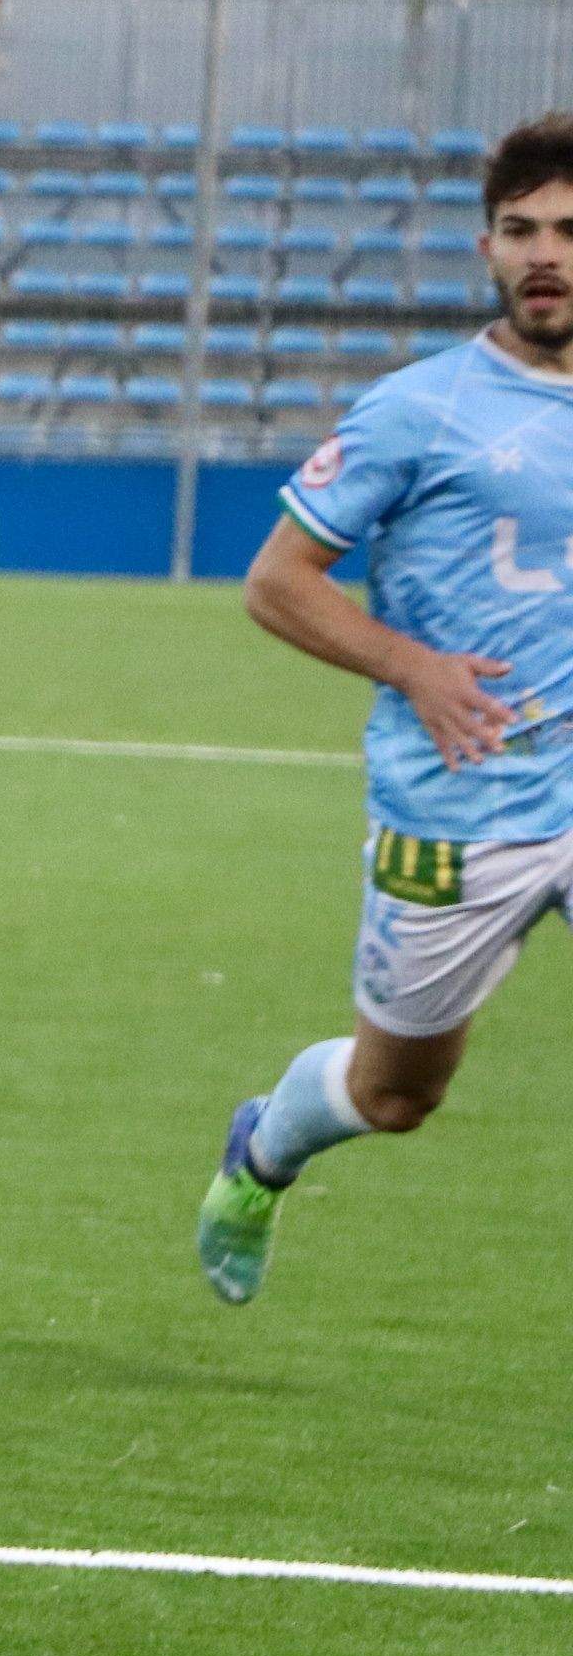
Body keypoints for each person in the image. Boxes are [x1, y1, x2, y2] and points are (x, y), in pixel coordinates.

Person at [196, 115, 573, 1304]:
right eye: (521, 231)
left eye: (567, 230)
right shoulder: (424, 409)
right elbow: (276, 581)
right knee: (395, 1094)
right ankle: (264, 1151)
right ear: (488, 249)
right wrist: (413, 666)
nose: (544, 253)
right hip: (460, 803)